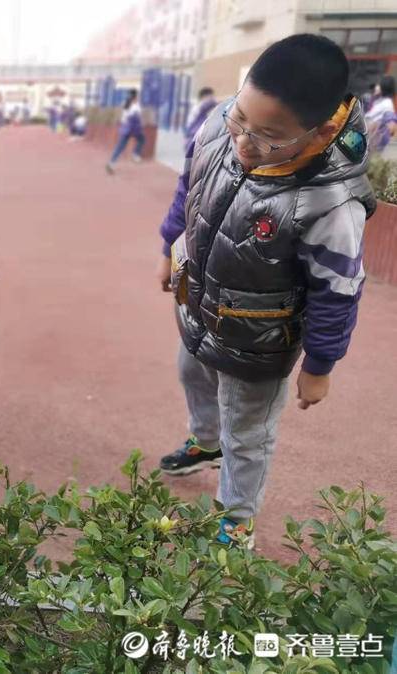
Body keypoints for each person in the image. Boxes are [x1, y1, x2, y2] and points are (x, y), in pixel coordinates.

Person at [155, 35, 376, 549]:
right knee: (191, 371)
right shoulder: (220, 125)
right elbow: (189, 190)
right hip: (199, 303)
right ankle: (204, 441)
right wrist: (168, 248)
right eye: (241, 120)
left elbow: (337, 289)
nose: (244, 143)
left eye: (269, 137)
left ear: (319, 131)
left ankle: (237, 518)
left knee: (247, 431)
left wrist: (319, 366)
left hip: (261, 340)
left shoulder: (330, 203)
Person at [106, 90, 145, 174]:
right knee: (142, 139)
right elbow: (135, 118)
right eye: (138, 96)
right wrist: (138, 128)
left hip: (125, 127)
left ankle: (111, 163)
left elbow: (125, 116)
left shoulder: (126, 104)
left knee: (120, 147)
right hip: (133, 127)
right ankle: (135, 154)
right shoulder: (135, 106)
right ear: (136, 96)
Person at [365, 75, 396, 153]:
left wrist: (378, 133)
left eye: (379, 85)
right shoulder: (377, 100)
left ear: (383, 87)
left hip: (371, 145)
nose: (376, 86)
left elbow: (391, 124)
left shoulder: (387, 104)